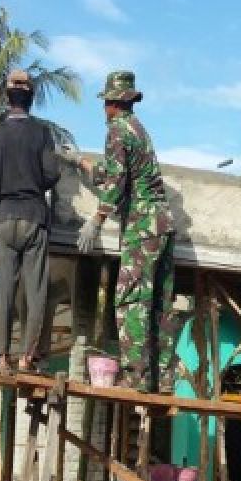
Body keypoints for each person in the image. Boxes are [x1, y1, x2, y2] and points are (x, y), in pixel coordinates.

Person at [76, 70, 181, 393]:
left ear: (113, 103)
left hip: (143, 225)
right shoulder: (137, 129)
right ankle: (161, 378)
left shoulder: (117, 131)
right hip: (162, 224)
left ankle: (135, 376)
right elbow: (114, 171)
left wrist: (97, 219)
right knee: (159, 304)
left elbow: (117, 184)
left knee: (131, 300)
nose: (103, 110)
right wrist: (80, 162)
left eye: (105, 103)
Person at [0, 68, 61, 373]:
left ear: (7, 97)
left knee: (5, 290)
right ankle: (28, 357)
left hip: (5, 219)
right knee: (36, 289)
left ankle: (1, 357)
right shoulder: (41, 133)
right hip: (34, 216)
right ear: (31, 98)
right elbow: (52, 174)